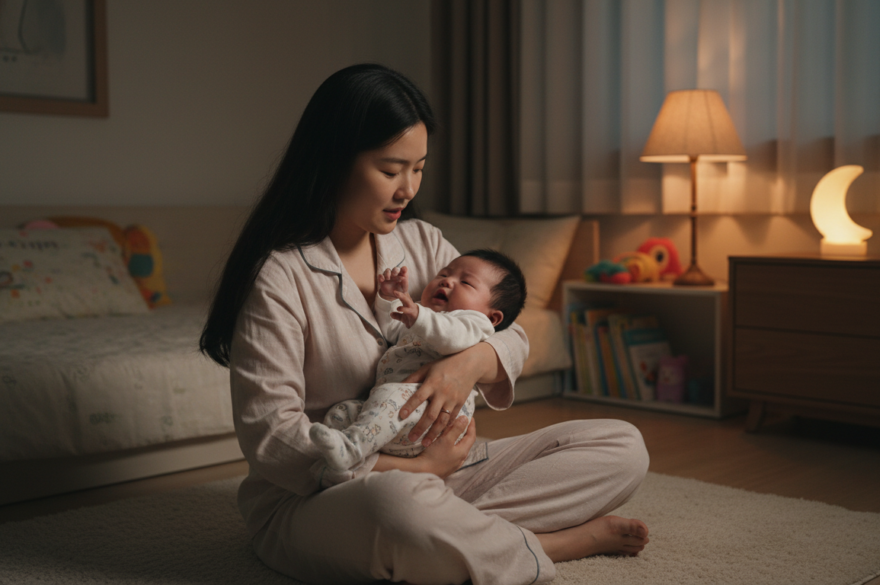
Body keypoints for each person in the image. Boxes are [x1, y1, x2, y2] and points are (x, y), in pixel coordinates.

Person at [200, 63, 650, 585]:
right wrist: (419, 471)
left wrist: (467, 367)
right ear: (333, 160)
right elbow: (273, 441)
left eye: (419, 168)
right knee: (400, 507)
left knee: (621, 445)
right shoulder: (280, 277)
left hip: (446, 470)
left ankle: (454, 533)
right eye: (391, 170)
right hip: (324, 497)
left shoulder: (423, 243)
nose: (408, 188)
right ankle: (549, 545)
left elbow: (508, 334)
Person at [309, 249, 527, 472]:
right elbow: (391, 329)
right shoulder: (423, 316)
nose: (448, 281)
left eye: (466, 283)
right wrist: (389, 300)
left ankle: (351, 450)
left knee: (388, 398)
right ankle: (335, 453)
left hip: (431, 413)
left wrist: (419, 316)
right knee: (343, 411)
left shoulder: (474, 324)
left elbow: (450, 337)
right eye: (443, 274)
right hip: (394, 412)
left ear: (493, 317)